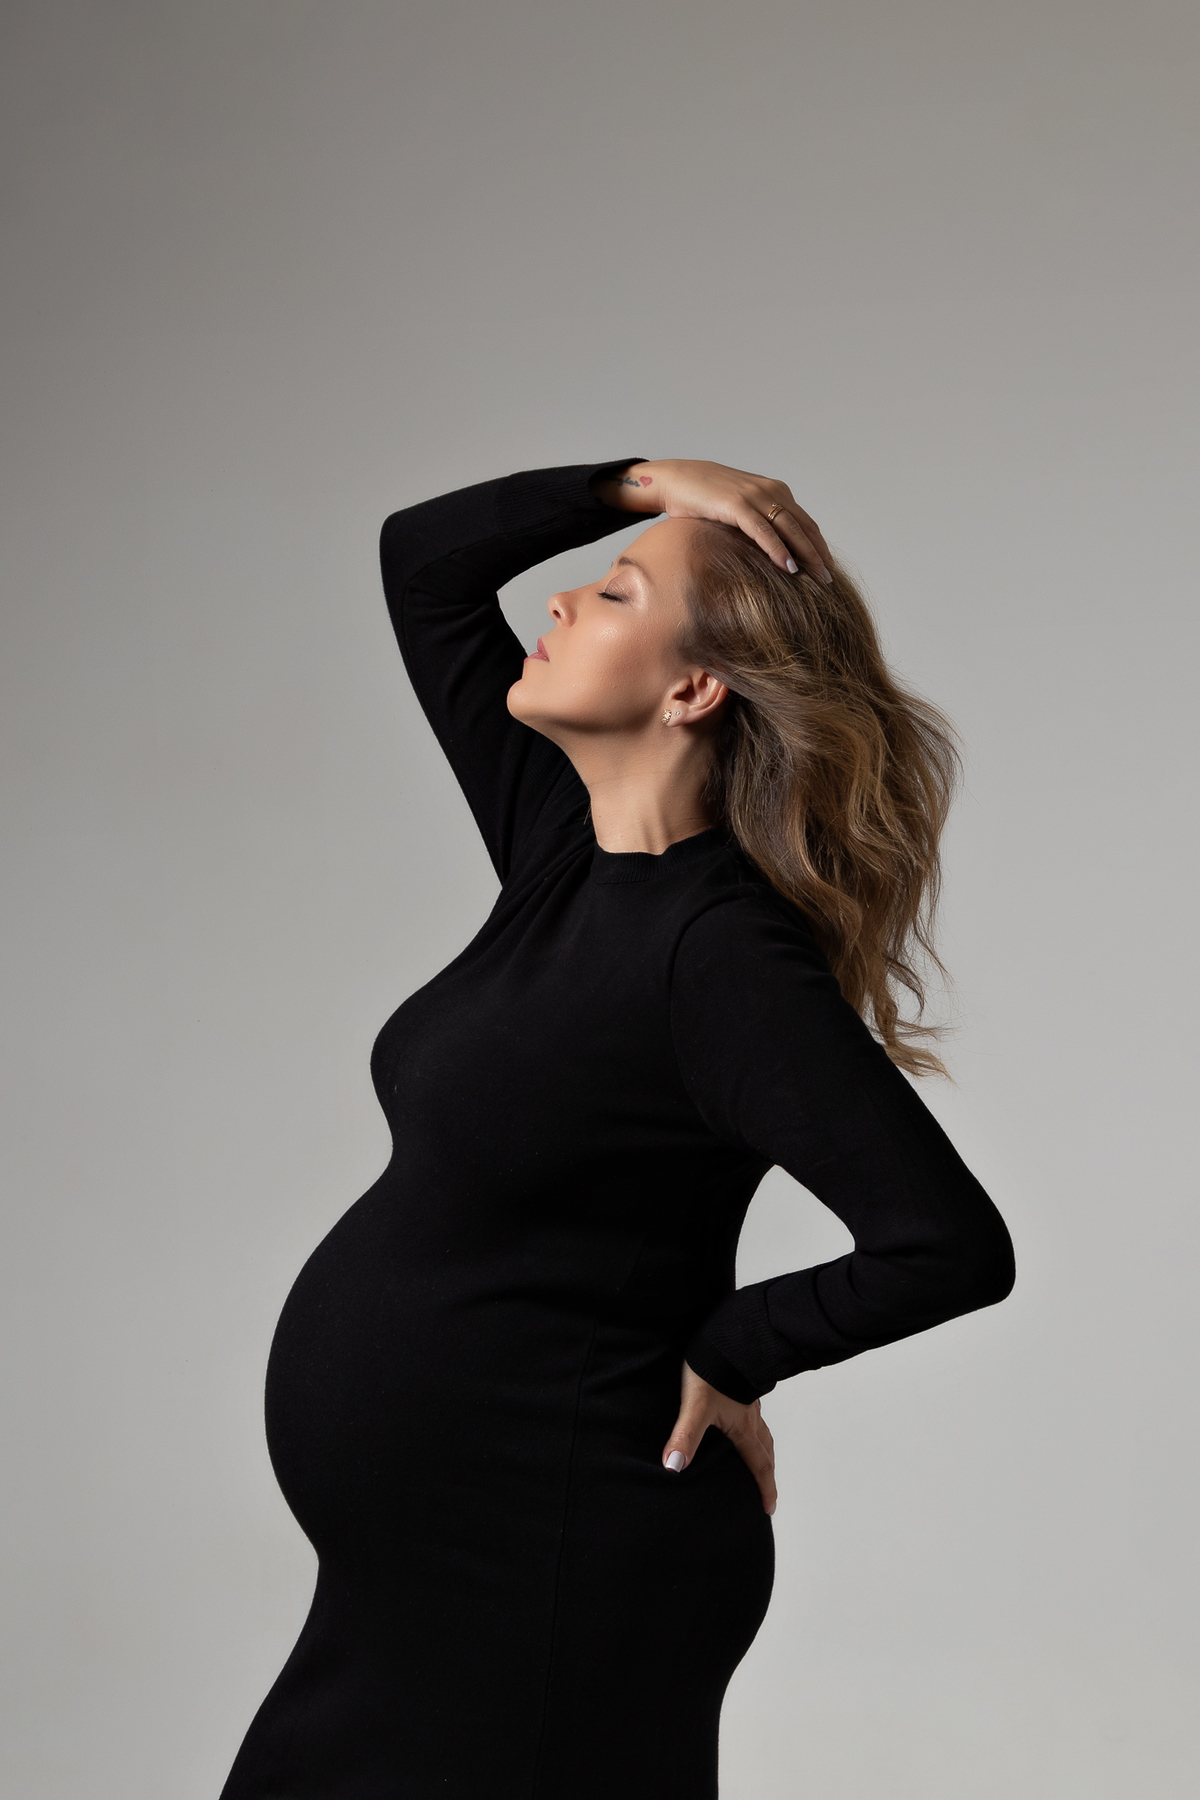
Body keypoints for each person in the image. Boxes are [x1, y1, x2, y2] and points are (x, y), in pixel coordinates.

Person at [217, 457, 1015, 1799]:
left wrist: (733, 1350)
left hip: (556, 1564)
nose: (567, 599)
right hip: (428, 1582)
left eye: (618, 589)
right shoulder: (557, 849)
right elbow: (423, 559)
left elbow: (946, 1243)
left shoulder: (722, 957)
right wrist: (644, 480)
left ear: (693, 688)